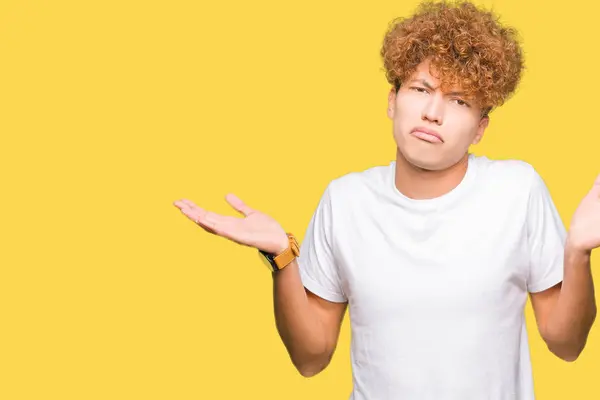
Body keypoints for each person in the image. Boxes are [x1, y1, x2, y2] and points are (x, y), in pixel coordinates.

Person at [173, 1, 599, 398]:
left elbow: (566, 344)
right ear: (392, 102)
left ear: (480, 129)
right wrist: (282, 257)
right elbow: (310, 357)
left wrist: (577, 253)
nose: (434, 112)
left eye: (459, 100)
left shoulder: (517, 191)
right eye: (420, 89)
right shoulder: (346, 201)